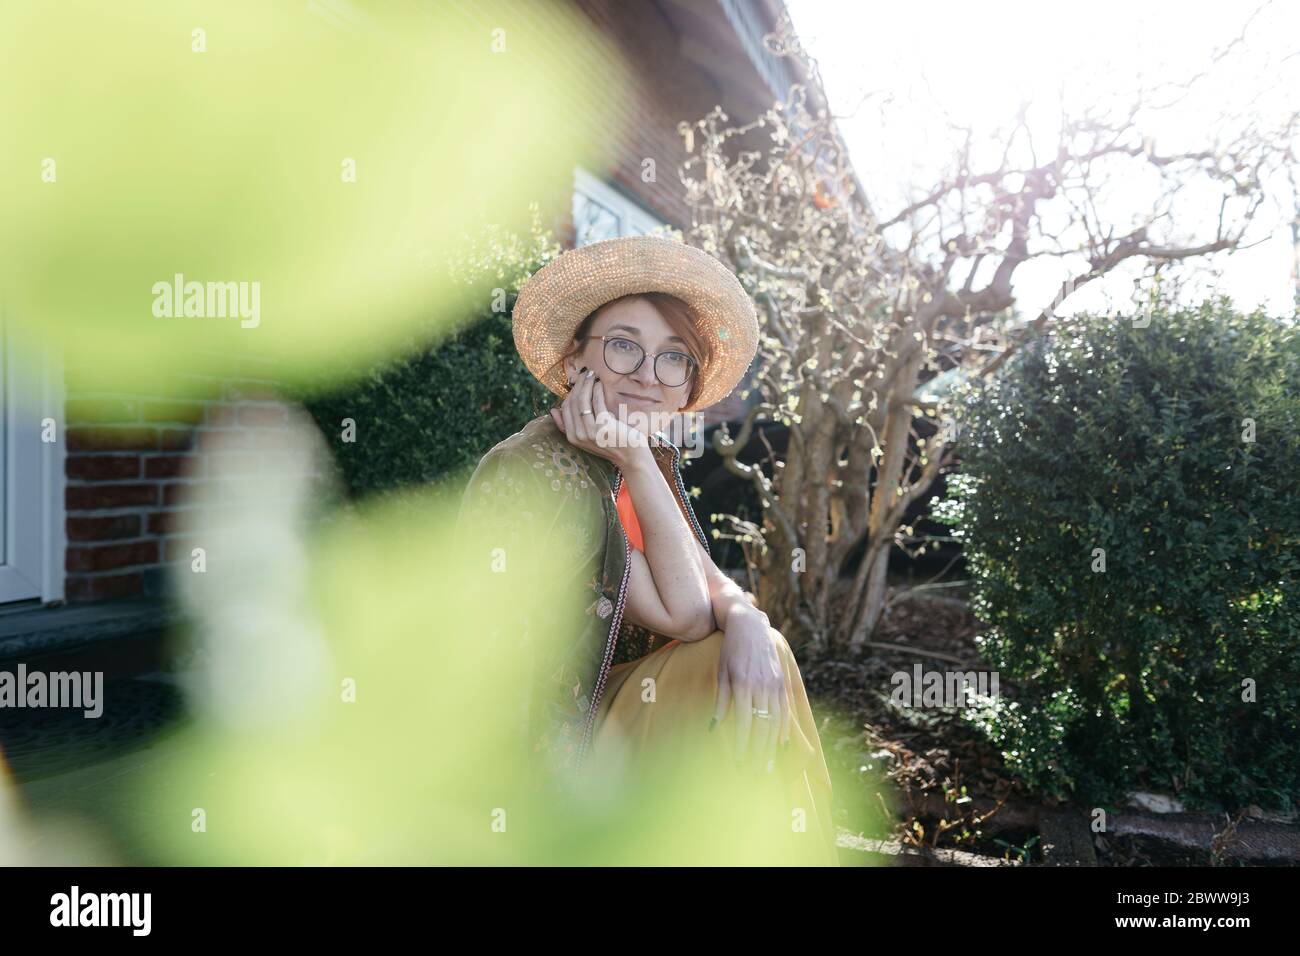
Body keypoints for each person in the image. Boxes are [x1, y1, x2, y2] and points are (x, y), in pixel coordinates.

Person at [457, 235, 838, 864]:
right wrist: (634, 457)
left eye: (672, 358)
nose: (646, 375)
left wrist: (747, 615)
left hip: (637, 706)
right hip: (553, 743)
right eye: (625, 345)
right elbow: (686, 613)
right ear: (577, 358)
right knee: (723, 665)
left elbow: (711, 582)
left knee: (756, 650)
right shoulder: (543, 473)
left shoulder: (641, 456)